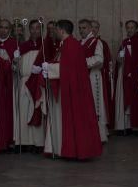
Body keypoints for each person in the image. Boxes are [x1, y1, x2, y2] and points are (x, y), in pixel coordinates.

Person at [41, 20, 103, 160]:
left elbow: (68, 69)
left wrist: (49, 69)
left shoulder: (72, 46)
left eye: (56, 30)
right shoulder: (66, 45)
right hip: (65, 88)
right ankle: (60, 148)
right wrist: (49, 67)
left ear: (62, 30)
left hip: (72, 90)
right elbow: (63, 64)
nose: (54, 32)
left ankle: (70, 150)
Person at [14, 20, 45, 151]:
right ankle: (24, 142)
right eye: (32, 28)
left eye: (37, 28)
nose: (34, 30)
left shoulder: (44, 45)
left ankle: (38, 143)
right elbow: (14, 68)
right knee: (23, 110)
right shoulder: (22, 45)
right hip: (24, 81)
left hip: (38, 81)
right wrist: (15, 60)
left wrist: (43, 70)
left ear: (41, 30)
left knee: (37, 110)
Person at [79, 18, 110, 142]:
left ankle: (98, 135)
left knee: (95, 105)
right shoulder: (80, 42)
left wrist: (81, 63)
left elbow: (99, 59)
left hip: (93, 76)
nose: (81, 30)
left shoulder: (96, 42)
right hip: (83, 76)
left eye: (84, 28)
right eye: (80, 28)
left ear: (90, 29)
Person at [0, 18, 18, 152]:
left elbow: (16, 66)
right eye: (1, 27)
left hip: (10, 83)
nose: (3, 30)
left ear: (10, 30)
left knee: (9, 111)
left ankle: (9, 140)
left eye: (6, 28)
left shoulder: (14, 43)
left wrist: (14, 62)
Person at [90, 19, 114, 129]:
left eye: (95, 27)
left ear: (98, 29)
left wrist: (109, 73)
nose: (93, 29)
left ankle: (102, 128)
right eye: (92, 27)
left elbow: (108, 59)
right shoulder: (83, 42)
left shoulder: (102, 43)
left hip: (100, 74)